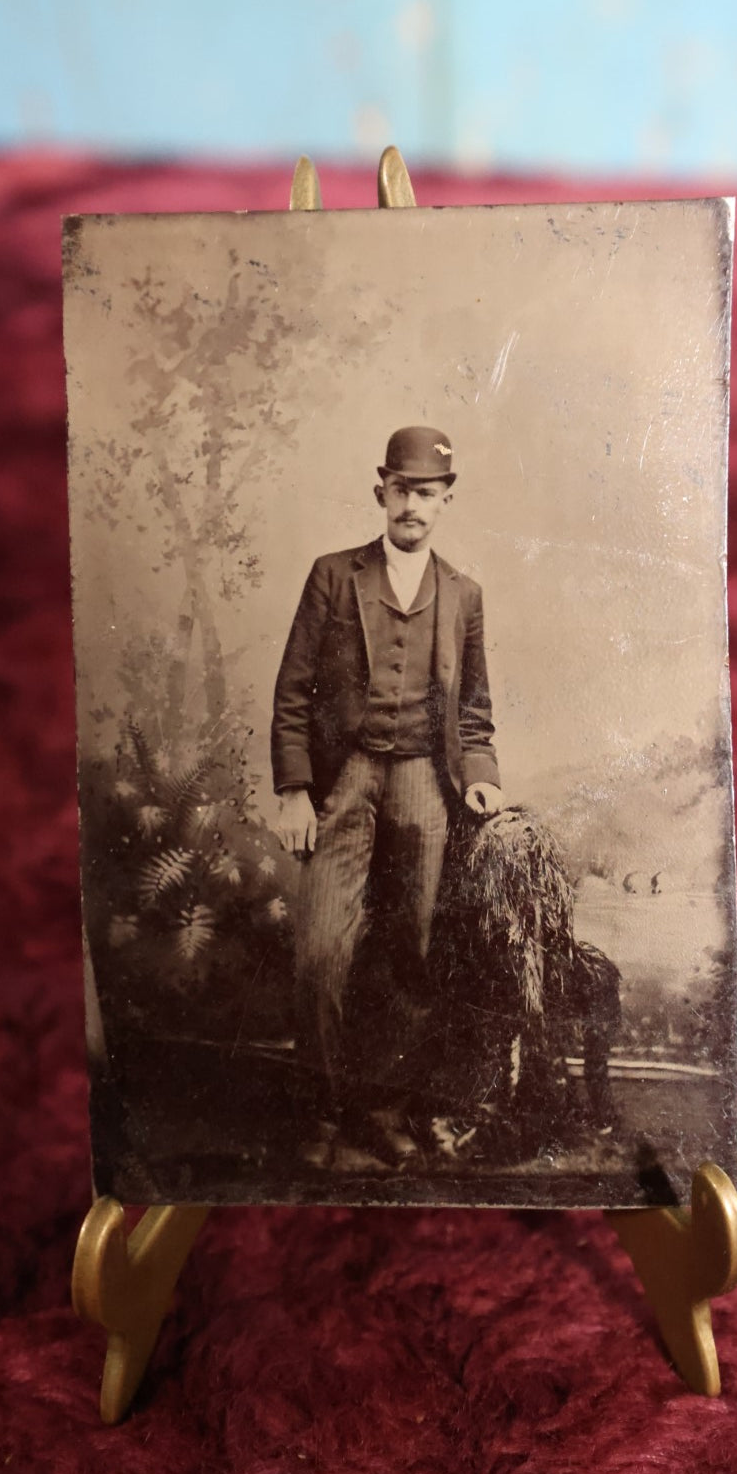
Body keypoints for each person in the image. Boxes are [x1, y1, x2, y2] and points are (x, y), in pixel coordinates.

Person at [271, 425, 502, 1159]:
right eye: (401, 489)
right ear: (381, 491)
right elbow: (293, 691)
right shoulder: (333, 575)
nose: (412, 505)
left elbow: (474, 711)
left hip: (423, 780)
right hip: (347, 776)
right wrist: (295, 789)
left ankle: (381, 1109)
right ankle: (320, 1111)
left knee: (410, 952)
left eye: (427, 493)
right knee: (321, 951)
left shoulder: (464, 595)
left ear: (445, 501)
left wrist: (481, 779)